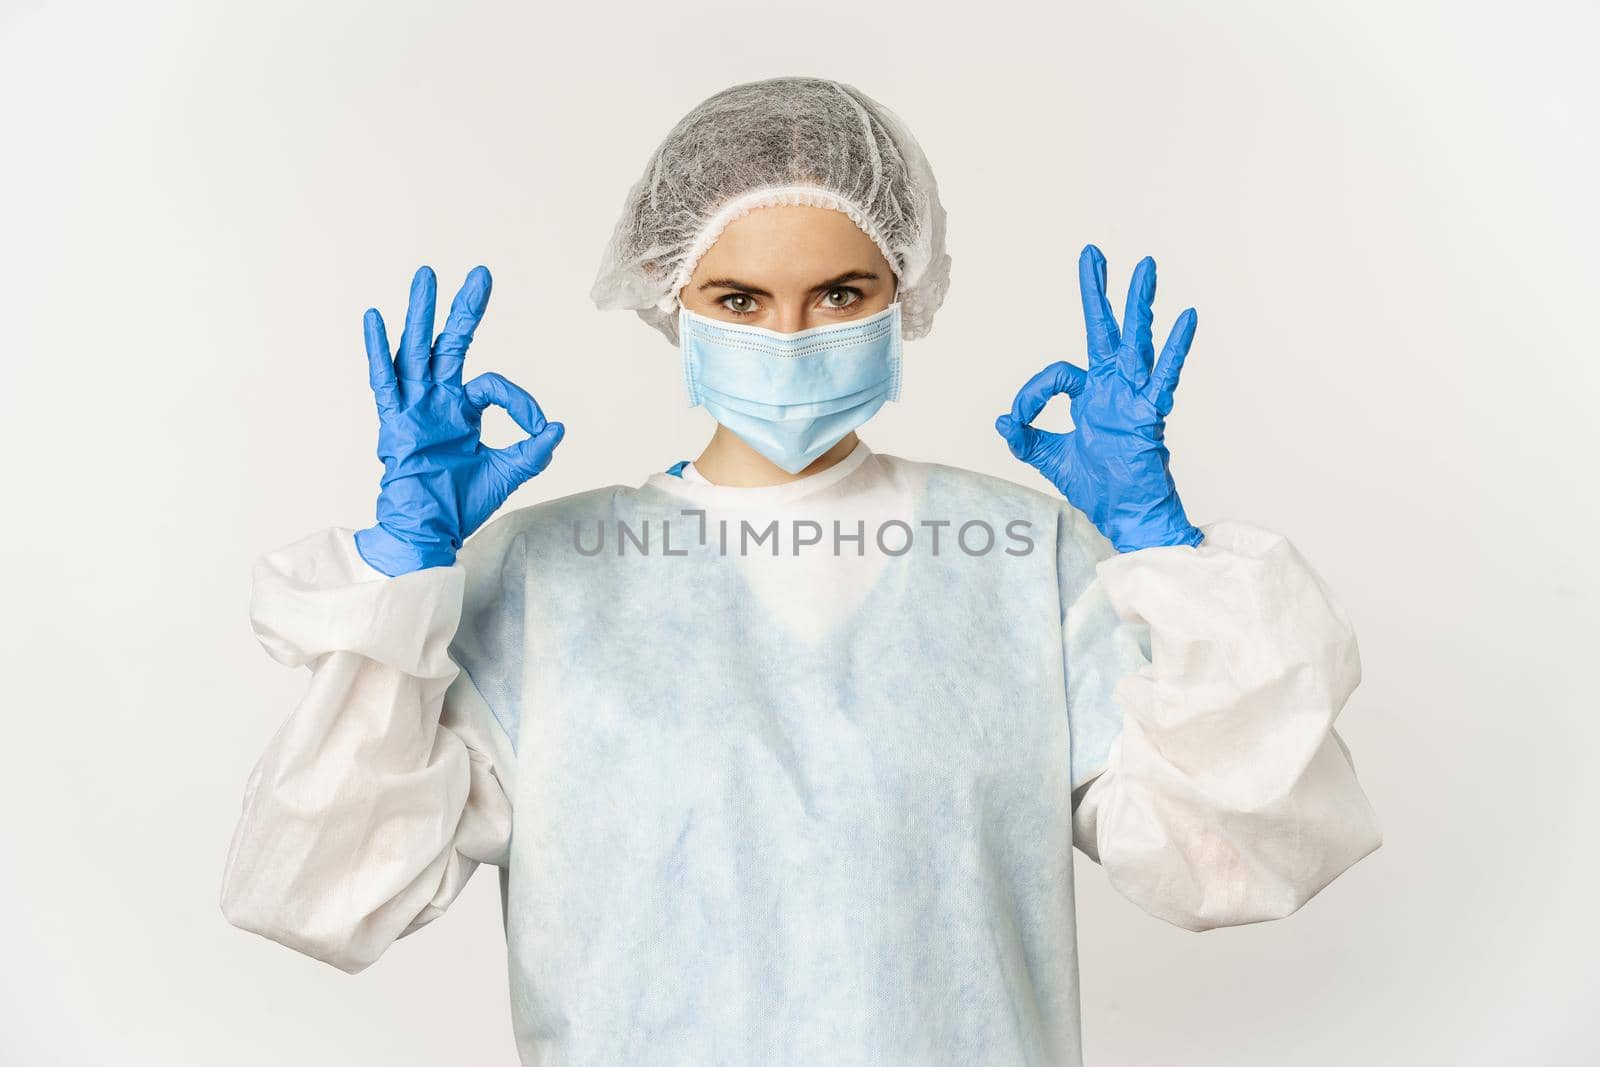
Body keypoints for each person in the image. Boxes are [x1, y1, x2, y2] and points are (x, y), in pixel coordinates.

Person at [220, 76, 1381, 1064]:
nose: (789, 336)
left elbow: (1242, 852)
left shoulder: (1022, 561)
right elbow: (320, 888)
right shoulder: (543, 579)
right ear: (669, 297)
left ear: (903, 297)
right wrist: (403, 570)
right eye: (738, 298)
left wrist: (1163, 553)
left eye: (840, 293)